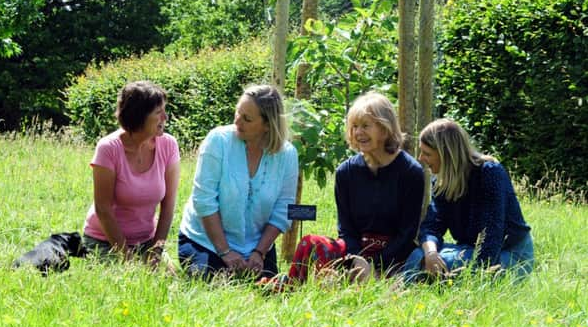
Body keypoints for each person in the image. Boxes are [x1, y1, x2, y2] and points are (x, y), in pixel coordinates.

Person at [279, 91, 425, 285]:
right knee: (311, 243)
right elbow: (346, 229)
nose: (358, 133)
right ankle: (293, 287)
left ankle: (348, 283)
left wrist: (375, 265)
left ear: (385, 128)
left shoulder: (411, 171)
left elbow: (407, 233)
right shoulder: (346, 172)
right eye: (354, 126)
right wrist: (357, 260)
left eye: (365, 126)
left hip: (395, 256)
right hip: (355, 252)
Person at [178, 84, 298, 280]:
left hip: (256, 247)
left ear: (268, 125)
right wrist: (225, 251)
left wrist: (259, 252)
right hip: (205, 241)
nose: (237, 121)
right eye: (237, 112)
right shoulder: (218, 140)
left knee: (269, 289)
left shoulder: (288, 155)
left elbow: (284, 209)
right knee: (213, 283)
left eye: (247, 119)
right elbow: (204, 200)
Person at [403, 118, 534, 280]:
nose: (421, 158)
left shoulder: (489, 173)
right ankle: (407, 288)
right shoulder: (443, 182)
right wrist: (431, 253)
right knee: (419, 254)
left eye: (427, 153)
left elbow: (492, 236)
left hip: (510, 254)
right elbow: (431, 226)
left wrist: (475, 276)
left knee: (442, 263)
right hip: (469, 250)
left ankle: (407, 288)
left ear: (446, 154)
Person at [82, 80, 181, 268]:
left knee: (169, 283)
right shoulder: (108, 148)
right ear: (139, 117)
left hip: (147, 242)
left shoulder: (169, 145)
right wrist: (126, 257)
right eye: (158, 113)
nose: (165, 118)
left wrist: (156, 251)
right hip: (105, 241)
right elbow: (103, 209)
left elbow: (168, 206)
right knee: (126, 285)